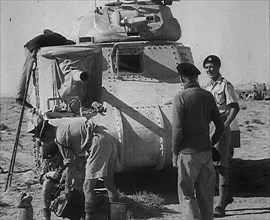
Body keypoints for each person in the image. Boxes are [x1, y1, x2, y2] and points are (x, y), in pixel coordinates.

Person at [32, 119, 120, 220]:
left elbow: (70, 165)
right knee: (108, 181)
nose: (46, 142)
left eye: (44, 139)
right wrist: (65, 176)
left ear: (47, 133)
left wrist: (67, 191)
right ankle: (117, 215)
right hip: (107, 138)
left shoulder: (60, 137)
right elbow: (72, 161)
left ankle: (89, 217)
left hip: (97, 143)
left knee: (87, 187)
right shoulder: (62, 129)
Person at [172, 63, 224, 220]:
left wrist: (174, 153)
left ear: (182, 78)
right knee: (206, 198)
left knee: (187, 196)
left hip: (187, 154)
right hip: (206, 152)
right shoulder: (208, 96)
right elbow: (220, 126)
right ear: (196, 77)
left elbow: (177, 130)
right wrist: (211, 142)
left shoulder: (181, 97)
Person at [203, 55, 240, 217]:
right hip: (209, 127)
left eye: (211, 67)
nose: (209, 70)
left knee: (221, 165)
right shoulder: (207, 87)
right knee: (210, 165)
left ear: (218, 67)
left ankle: (220, 205)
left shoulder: (225, 85)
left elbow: (234, 107)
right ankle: (226, 196)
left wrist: (224, 126)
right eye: (206, 67)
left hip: (221, 126)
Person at [15, 29, 75, 108]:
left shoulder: (57, 36)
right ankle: (20, 96)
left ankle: (21, 96)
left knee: (26, 71)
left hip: (31, 45)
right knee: (26, 72)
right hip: (32, 47)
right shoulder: (61, 41)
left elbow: (46, 30)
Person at [39, 142, 65, 220]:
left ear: (59, 154)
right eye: (50, 160)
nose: (52, 163)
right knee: (46, 183)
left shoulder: (66, 159)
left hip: (68, 187)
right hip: (56, 188)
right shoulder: (47, 162)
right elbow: (40, 179)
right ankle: (47, 217)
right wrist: (48, 174)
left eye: (54, 160)